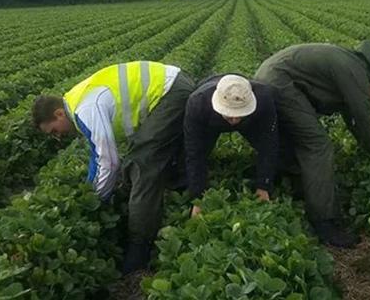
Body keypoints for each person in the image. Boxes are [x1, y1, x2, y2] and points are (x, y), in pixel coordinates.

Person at [31, 61, 195, 274]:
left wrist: (98, 199)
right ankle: (181, 193)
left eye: (53, 131)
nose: (57, 137)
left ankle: (140, 247)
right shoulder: (76, 102)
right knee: (143, 154)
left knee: (142, 164)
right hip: (172, 83)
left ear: (59, 114)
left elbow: (108, 160)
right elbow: (96, 156)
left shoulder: (85, 109)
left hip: (170, 91)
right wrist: (90, 188)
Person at [254, 40, 370, 248]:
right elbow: (362, 114)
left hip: (268, 78)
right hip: (278, 83)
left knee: (296, 137)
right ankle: (324, 223)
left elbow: (351, 116)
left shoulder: (345, 63)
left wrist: (365, 142)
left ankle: (296, 187)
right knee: (318, 145)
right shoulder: (354, 70)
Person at [183, 74, 278, 216]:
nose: (234, 120)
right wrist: (198, 199)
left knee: (277, 152)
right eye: (229, 115)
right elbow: (193, 152)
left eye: (240, 114)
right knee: (198, 154)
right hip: (210, 119)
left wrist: (264, 185)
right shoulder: (198, 103)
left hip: (251, 120)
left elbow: (269, 144)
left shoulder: (264, 100)